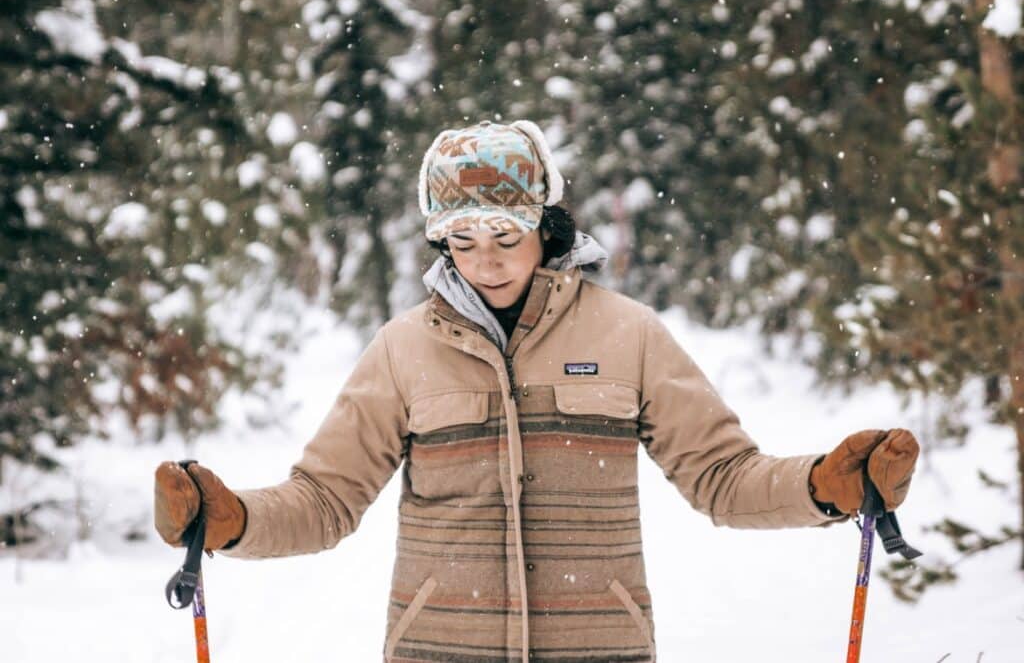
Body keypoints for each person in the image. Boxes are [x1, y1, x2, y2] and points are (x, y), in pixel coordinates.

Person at [154, 119, 920, 663]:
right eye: (462, 240)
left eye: (505, 238)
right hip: (437, 651)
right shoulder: (403, 349)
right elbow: (324, 499)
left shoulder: (630, 335)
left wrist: (821, 487)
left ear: (545, 224)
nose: (484, 262)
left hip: (602, 649)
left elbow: (723, 478)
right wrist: (235, 521)